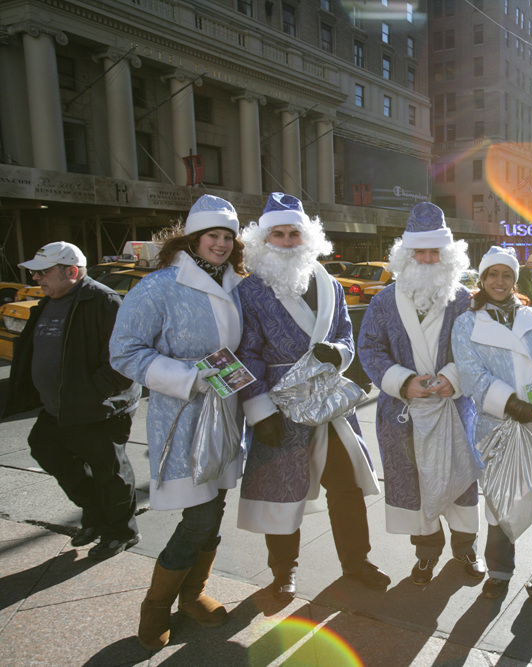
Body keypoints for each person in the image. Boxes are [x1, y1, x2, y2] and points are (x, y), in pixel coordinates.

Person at [235, 193, 389, 597]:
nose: (287, 242)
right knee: (281, 489)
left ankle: (357, 562)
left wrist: (337, 354)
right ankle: (283, 571)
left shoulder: (330, 283)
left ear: (309, 238)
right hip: (278, 403)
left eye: (294, 234)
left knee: (347, 488)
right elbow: (245, 352)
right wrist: (259, 408)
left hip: (329, 398)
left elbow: (345, 336)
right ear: (263, 241)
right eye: (278, 235)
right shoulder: (249, 291)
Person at [110, 195, 246, 650]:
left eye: (228, 236)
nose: (222, 244)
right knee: (199, 516)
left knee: (214, 509)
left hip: (226, 413)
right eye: (214, 235)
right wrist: (188, 377)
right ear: (193, 238)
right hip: (183, 416)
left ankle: (192, 594)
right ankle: (156, 605)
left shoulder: (238, 285)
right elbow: (124, 351)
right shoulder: (158, 286)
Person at [357, 202, 485, 586]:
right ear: (406, 255)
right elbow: (369, 349)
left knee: (461, 481)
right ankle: (426, 554)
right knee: (413, 483)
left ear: (448, 257)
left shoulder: (465, 300)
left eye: (436, 253)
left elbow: (477, 349)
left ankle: (465, 549)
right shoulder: (382, 302)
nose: (428, 260)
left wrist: (453, 376)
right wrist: (402, 381)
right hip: (403, 413)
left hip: (454, 408)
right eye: (421, 252)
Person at [5, 242, 140, 562]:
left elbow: (123, 359)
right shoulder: (49, 301)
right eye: (36, 272)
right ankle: (94, 512)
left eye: (43, 271)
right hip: (59, 408)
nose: (37, 278)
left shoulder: (103, 300)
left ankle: (121, 531)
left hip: (98, 409)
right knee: (45, 447)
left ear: (72, 272)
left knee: (110, 472)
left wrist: (94, 394)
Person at [451, 246, 532, 601]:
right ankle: (500, 571)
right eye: (492, 275)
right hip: (497, 425)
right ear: (482, 279)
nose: (499, 282)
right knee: (500, 499)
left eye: (506, 275)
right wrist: (511, 404)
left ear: (515, 280)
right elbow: (471, 374)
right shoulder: (467, 323)